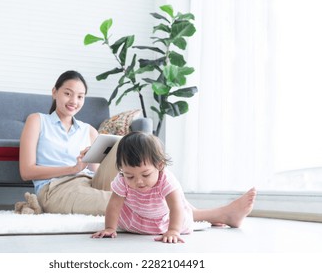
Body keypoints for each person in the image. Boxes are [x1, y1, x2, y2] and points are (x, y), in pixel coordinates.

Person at [19, 70, 256, 231]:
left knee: (124, 143)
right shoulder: (37, 120)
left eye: (80, 96)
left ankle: (196, 210)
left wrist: (90, 162)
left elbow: (97, 171)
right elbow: (27, 172)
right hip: (55, 188)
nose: (74, 100)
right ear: (55, 92)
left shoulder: (88, 129)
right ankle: (216, 214)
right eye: (67, 93)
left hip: (89, 180)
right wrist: (73, 167)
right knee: (119, 203)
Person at [92, 131, 257, 243]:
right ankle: (223, 215)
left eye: (145, 175)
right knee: (119, 202)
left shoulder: (166, 179)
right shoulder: (121, 178)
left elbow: (176, 206)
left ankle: (223, 216)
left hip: (163, 221)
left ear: (160, 165)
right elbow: (114, 205)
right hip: (135, 221)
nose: (138, 182)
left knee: (184, 210)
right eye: (130, 176)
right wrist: (109, 228)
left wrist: (173, 231)